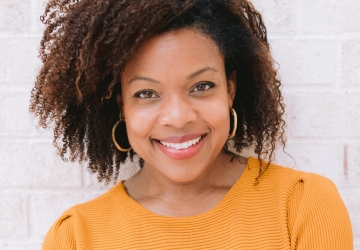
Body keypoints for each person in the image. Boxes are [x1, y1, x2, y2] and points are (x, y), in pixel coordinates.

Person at [30, 0, 353, 249]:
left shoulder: (302, 207)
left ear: (230, 89)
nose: (178, 116)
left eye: (201, 86)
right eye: (146, 93)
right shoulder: (76, 237)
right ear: (122, 106)